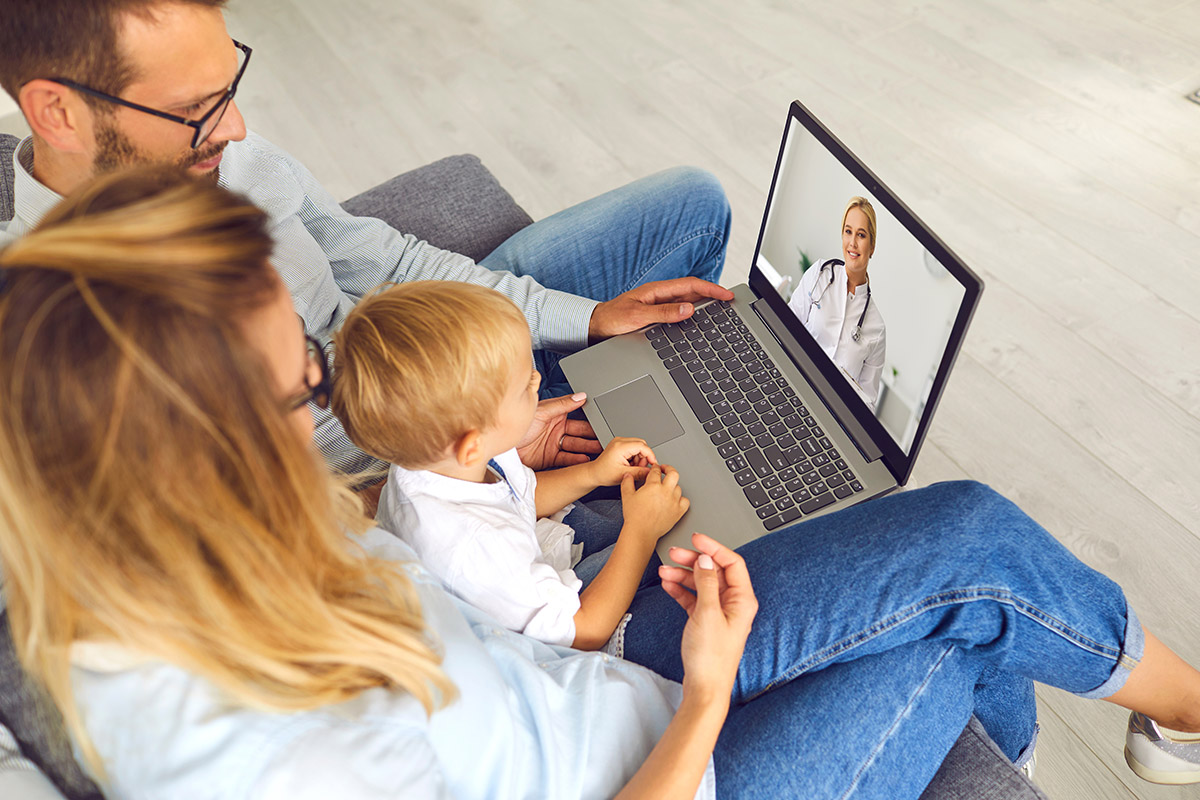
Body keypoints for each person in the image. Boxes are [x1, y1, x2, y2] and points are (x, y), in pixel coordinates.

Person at [5, 173, 1200, 798]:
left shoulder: (195, 551)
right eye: (301, 383)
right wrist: (704, 695)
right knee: (971, 581)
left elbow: (446, 589)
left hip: (600, 673)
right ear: (189, 459)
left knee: (955, 547)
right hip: (669, 753)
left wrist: (498, 472)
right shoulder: (274, 755)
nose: (326, 399)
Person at [0, 0, 735, 481]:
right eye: (195, 108)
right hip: (415, 466)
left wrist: (590, 316)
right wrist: (480, 464)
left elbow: (387, 262)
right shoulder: (58, 336)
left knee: (693, 206)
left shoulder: (230, 156)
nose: (237, 130)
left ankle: (723, 421)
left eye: (228, 88)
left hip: (431, 337)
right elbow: (258, 535)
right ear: (58, 114)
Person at [332, 281, 688, 651]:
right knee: (673, 538)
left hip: (532, 561)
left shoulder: (434, 460)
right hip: (562, 634)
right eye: (524, 387)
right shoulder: (472, 547)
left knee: (660, 504)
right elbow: (582, 632)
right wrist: (642, 532)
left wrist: (592, 474)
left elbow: (520, 496)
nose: (537, 379)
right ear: (473, 445)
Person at [788, 196, 886, 406]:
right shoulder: (819, 274)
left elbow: (867, 402)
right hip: (793, 381)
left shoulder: (876, 329)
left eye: (861, 235)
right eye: (848, 231)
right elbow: (786, 326)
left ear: (872, 245)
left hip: (832, 411)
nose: (852, 242)